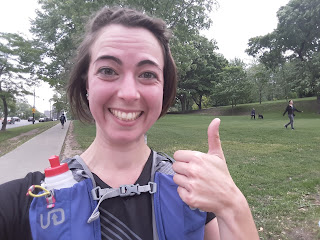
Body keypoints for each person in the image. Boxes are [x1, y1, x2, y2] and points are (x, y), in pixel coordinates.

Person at [0, 7, 259, 240]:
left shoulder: (192, 189)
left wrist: (232, 204)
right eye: (108, 70)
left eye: (147, 74)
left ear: (163, 88)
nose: (128, 93)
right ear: (86, 83)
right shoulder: (22, 202)